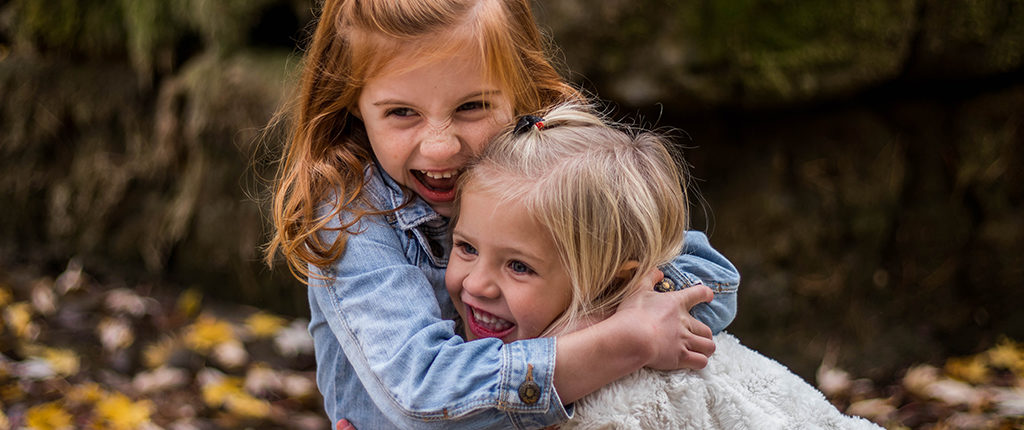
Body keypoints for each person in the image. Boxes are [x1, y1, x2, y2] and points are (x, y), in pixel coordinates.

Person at [264, 1, 738, 428]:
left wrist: (589, 321)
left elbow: (711, 280)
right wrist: (620, 341)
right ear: (352, 105)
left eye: (472, 106)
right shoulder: (352, 213)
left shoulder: (553, 170)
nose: (440, 146)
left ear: (521, 90)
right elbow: (425, 397)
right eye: (401, 113)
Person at [445, 103, 881, 429]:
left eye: (519, 267)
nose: (477, 284)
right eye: (466, 247)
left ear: (610, 282)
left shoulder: (634, 400)